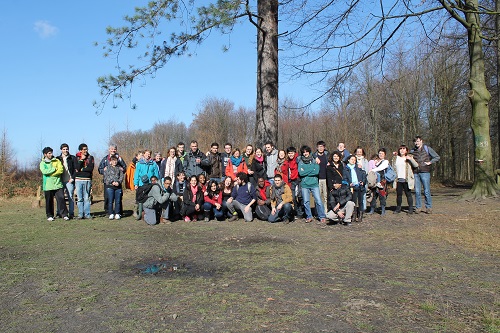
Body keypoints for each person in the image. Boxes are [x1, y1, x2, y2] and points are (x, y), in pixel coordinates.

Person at [411, 136, 440, 214]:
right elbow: (406, 156)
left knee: (426, 191)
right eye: (415, 142)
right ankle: (418, 207)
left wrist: (430, 162)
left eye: (418, 141)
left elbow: (437, 157)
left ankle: (429, 207)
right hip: (416, 172)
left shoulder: (427, 149)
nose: (416, 143)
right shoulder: (412, 151)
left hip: (425, 172)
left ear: (421, 141)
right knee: (417, 191)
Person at [298, 145, 326, 223]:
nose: (305, 153)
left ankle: (322, 216)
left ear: (309, 152)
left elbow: (316, 171)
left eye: (306, 152)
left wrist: (306, 171)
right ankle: (309, 216)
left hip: (314, 184)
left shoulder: (314, 160)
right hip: (304, 185)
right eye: (303, 152)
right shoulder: (300, 162)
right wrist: (311, 170)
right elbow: (301, 173)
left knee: (318, 201)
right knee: (306, 201)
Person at [40, 147, 68, 221]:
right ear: (45, 154)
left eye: (51, 153)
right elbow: (44, 172)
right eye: (49, 153)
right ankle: (50, 215)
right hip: (48, 185)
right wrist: (53, 169)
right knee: (49, 201)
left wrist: (51, 174)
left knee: (61, 199)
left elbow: (60, 170)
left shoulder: (57, 160)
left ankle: (64, 214)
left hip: (58, 184)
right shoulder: (42, 163)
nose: (51, 154)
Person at [98, 144, 127, 215]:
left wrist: (122, 169)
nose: (113, 150)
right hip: (108, 182)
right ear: (109, 150)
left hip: (118, 182)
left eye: (114, 149)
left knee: (118, 198)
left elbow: (125, 167)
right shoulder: (105, 159)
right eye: (111, 149)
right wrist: (103, 170)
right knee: (107, 198)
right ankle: (108, 212)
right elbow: (99, 169)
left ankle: (119, 212)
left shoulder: (119, 158)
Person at [393, 145, 418, 214]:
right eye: (400, 149)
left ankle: (410, 209)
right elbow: (393, 167)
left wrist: (410, 159)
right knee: (399, 195)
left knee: (408, 194)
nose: (402, 150)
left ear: (406, 150)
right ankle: (398, 208)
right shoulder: (395, 158)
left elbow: (416, 165)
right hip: (398, 179)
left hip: (407, 179)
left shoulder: (409, 157)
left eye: (404, 149)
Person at [343, 155, 367, 222]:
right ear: (348, 160)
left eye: (354, 160)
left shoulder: (358, 167)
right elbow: (344, 178)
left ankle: (360, 215)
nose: (353, 161)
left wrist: (363, 182)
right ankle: (354, 215)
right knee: (353, 202)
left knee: (360, 202)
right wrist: (348, 183)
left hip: (359, 186)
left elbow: (364, 175)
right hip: (352, 187)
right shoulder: (346, 169)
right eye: (352, 159)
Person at [74, 143, 94, 219]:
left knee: (87, 198)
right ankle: (80, 214)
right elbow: (76, 168)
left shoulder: (90, 158)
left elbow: (90, 168)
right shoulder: (76, 158)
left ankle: (87, 214)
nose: (86, 151)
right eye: (84, 149)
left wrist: (82, 169)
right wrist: (81, 160)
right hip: (78, 180)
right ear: (80, 150)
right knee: (79, 198)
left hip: (87, 180)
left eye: (86, 149)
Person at [367, 148, 389, 216]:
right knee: (373, 195)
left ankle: (383, 210)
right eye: (379, 153)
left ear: (385, 154)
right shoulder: (376, 161)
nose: (381, 155)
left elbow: (381, 168)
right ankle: (372, 209)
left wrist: (373, 170)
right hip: (374, 180)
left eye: (382, 153)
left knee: (382, 195)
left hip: (382, 181)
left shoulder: (385, 161)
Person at [57, 143, 77, 219]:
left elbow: (76, 169)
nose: (65, 150)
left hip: (69, 180)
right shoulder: (58, 159)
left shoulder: (72, 158)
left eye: (66, 149)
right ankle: (59, 212)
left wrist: (73, 178)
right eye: (64, 149)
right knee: (60, 198)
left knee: (70, 197)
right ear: (61, 150)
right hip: (60, 181)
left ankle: (71, 213)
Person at [284, 146, 303, 218]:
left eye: (292, 153)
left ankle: (301, 212)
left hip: (299, 179)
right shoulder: (288, 161)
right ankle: (297, 211)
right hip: (292, 181)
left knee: (300, 197)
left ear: (295, 153)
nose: (290, 155)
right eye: (289, 153)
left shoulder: (298, 159)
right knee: (293, 197)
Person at [103, 155, 124, 220]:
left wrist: (118, 182)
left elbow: (121, 176)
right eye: (113, 161)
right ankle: (111, 213)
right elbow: (106, 178)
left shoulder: (119, 168)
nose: (114, 162)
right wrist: (112, 182)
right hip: (110, 186)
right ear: (110, 161)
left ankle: (117, 213)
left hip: (118, 187)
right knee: (110, 201)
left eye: (116, 160)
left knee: (117, 201)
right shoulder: (107, 168)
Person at [313, 140, 329, 210]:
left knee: (326, 196)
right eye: (319, 147)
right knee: (317, 196)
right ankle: (318, 211)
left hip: (326, 178)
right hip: (317, 179)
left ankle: (325, 210)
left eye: (322, 147)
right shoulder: (314, 156)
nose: (321, 148)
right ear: (317, 147)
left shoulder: (327, 155)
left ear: (324, 147)